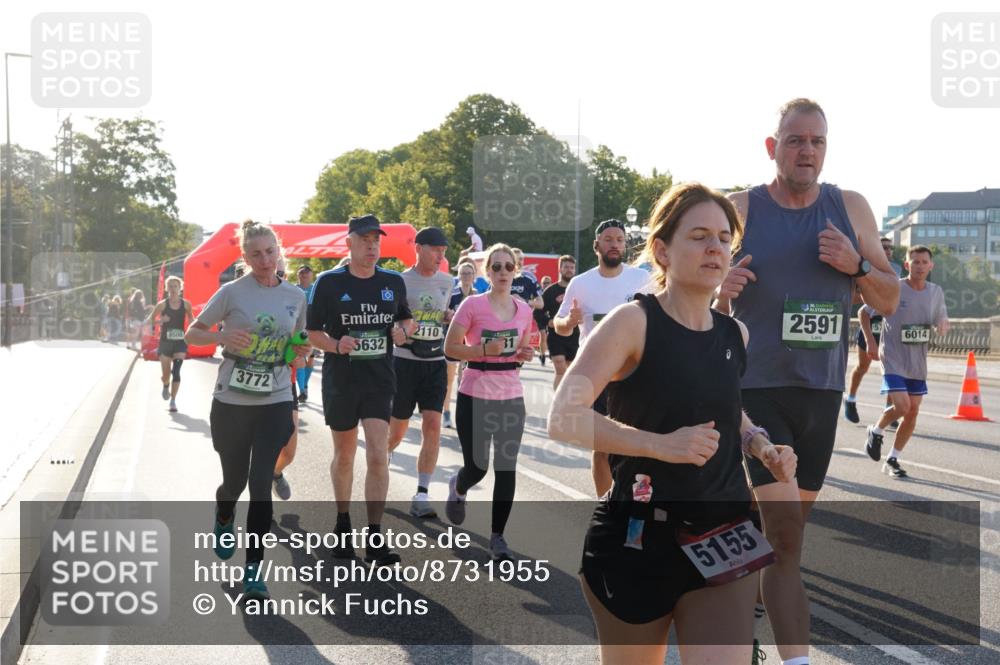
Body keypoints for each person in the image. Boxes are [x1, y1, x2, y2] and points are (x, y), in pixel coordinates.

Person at [548, 183, 796, 664]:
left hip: (724, 531)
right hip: (639, 537)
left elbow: (724, 408)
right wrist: (661, 445)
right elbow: (563, 417)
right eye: (699, 236)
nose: (715, 248)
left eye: (724, 239)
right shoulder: (632, 322)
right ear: (662, 250)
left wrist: (758, 442)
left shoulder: (735, 333)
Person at [714, 98, 900, 665]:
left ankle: (739, 615)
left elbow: (890, 299)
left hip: (820, 394)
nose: (807, 151)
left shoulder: (850, 208)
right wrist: (720, 292)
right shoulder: (738, 208)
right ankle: (789, 655)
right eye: (795, 140)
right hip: (754, 390)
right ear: (773, 147)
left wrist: (857, 267)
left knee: (781, 535)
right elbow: (681, 290)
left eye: (817, 141)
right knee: (784, 537)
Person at [185, 219, 310, 601]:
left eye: (270, 251)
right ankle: (224, 514)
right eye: (256, 254)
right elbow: (193, 333)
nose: (265, 260)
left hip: (275, 398)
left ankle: (254, 570)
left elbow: (297, 346)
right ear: (245, 257)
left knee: (259, 486)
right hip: (232, 403)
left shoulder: (295, 296)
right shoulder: (231, 292)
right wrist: (222, 335)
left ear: (279, 251)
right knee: (234, 483)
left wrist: (301, 352)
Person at [306, 214, 414, 566]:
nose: (372, 246)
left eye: (376, 240)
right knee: (345, 455)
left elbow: (406, 318)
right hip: (342, 380)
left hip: (379, 380)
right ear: (349, 243)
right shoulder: (328, 282)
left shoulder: (393, 281)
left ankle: (375, 534)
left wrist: (403, 332)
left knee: (379, 454)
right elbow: (313, 332)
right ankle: (342, 523)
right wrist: (336, 345)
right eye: (364, 240)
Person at [443, 243, 535, 561]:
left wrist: (524, 353)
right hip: (475, 394)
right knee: (478, 467)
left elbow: (521, 352)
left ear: (515, 270)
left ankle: (497, 537)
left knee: (506, 467)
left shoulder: (524, 310)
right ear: (488, 272)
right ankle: (459, 486)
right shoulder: (472, 305)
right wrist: (483, 350)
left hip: (511, 396)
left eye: (508, 266)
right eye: (496, 267)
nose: (503, 272)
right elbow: (450, 348)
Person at [553, 219, 652, 497]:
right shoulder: (581, 283)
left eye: (619, 240)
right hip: (597, 376)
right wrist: (569, 322)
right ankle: (604, 507)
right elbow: (559, 324)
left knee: (640, 447)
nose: (615, 244)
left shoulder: (641, 279)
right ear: (597, 245)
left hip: (636, 376)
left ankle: (638, 507)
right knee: (602, 449)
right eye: (608, 239)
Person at [862, 245, 949, 478]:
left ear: (931, 266)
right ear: (907, 265)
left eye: (924, 262)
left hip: (917, 361)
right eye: (915, 262)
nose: (920, 266)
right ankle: (876, 430)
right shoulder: (895, 288)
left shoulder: (935, 292)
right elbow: (864, 312)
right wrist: (870, 342)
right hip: (892, 356)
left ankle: (892, 459)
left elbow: (940, 319)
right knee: (903, 406)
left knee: (912, 411)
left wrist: (942, 325)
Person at [387, 226, 454, 518]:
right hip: (404, 362)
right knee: (397, 430)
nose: (440, 256)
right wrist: (400, 331)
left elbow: (442, 316)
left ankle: (422, 493)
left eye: (443, 252)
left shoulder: (447, 281)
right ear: (418, 248)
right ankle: (382, 459)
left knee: (433, 425)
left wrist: (447, 317)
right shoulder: (400, 281)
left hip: (435, 362)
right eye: (435, 250)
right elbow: (391, 321)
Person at [844, 236, 904, 424]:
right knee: (863, 366)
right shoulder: (864, 264)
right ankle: (850, 399)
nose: (888, 251)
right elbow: (857, 301)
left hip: (890, 324)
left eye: (890, 248)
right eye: (884, 247)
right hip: (871, 320)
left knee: (892, 370)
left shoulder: (896, 269)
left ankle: (889, 409)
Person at [145, 276, 194, 413]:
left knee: (176, 371)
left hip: (180, 342)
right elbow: (149, 320)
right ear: (167, 289)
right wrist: (160, 321)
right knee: (166, 375)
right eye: (170, 286)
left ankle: (173, 401)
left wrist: (195, 329)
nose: (173, 289)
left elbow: (191, 319)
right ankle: (166, 384)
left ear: (180, 288)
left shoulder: (186, 304)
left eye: (175, 286)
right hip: (165, 342)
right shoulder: (162, 305)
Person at [443, 259, 482, 429]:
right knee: (449, 379)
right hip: (453, 341)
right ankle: (446, 412)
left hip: (470, 342)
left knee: (465, 380)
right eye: (463, 273)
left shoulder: (478, 296)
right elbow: (443, 316)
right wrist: (448, 315)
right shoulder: (453, 294)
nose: (466, 276)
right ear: (458, 276)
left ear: (474, 276)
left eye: (469, 273)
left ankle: (463, 414)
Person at [542, 255, 579, 389]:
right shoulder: (550, 291)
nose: (569, 270)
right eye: (566, 267)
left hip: (575, 335)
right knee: (560, 367)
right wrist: (548, 321)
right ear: (560, 269)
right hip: (555, 335)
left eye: (572, 267)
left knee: (570, 370)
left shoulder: (578, 290)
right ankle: (558, 399)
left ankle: (567, 397)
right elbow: (538, 311)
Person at [294, 265, 317, 403]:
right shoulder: (293, 289)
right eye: (301, 272)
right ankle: (302, 390)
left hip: (314, 330)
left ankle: (305, 385)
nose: (304, 274)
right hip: (299, 330)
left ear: (311, 275)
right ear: (298, 275)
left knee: (311, 359)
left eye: (307, 272)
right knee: (300, 358)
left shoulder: (316, 289)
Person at [534, 275, 553, 365]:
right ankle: (542, 355)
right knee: (543, 335)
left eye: (548, 283)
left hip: (550, 317)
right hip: (540, 316)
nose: (546, 284)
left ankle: (551, 352)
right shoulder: (538, 294)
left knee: (551, 336)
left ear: (551, 283)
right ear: (541, 284)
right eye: (544, 283)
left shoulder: (553, 292)